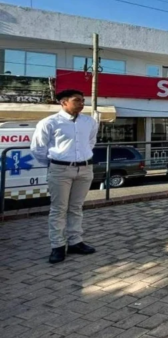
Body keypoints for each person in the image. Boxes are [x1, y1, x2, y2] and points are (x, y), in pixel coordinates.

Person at [30, 89, 99, 264]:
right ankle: (58, 246)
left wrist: (81, 157)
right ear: (63, 102)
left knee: (76, 207)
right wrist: (55, 163)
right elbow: (38, 149)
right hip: (60, 170)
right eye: (77, 100)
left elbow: (91, 142)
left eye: (83, 100)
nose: (82, 103)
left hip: (84, 169)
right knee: (58, 209)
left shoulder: (89, 121)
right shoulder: (49, 123)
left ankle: (75, 241)